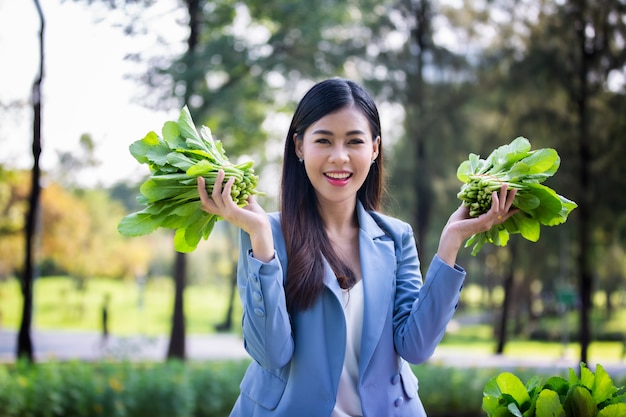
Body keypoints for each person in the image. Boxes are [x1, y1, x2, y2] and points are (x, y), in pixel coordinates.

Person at [197, 78, 517, 417]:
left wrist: (451, 242)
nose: (339, 157)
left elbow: (417, 347)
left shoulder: (397, 238)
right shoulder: (264, 233)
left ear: (375, 149)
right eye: (323, 140)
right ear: (299, 146)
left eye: (354, 142)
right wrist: (261, 239)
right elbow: (271, 353)